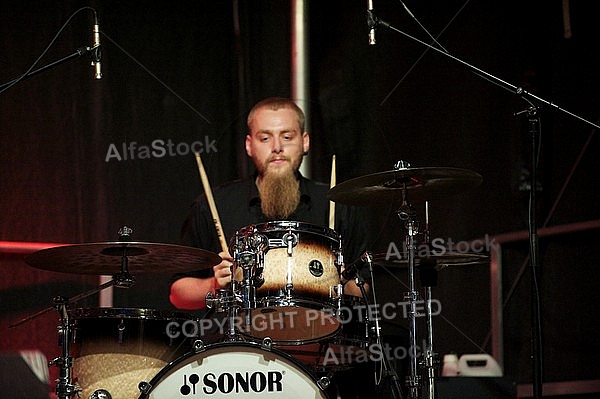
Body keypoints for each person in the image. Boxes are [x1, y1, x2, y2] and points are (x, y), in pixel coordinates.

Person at [170, 97, 369, 310]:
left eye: (287, 136)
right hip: (237, 339)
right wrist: (213, 283)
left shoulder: (337, 202)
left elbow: (364, 290)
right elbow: (177, 295)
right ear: (249, 145)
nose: (277, 147)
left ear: (305, 142)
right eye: (265, 138)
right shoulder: (213, 204)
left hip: (319, 335)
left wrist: (340, 282)